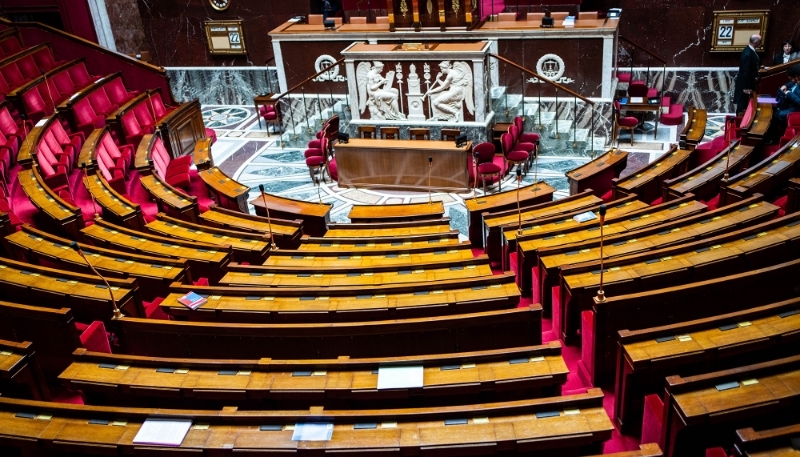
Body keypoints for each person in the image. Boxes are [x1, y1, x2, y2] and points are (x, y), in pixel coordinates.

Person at [734, 34, 762, 115]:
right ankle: (738, 122)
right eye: (760, 41)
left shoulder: (750, 51)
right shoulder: (748, 54)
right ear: (756, 42)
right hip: (745, 86)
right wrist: (746, 87)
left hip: (747, 84)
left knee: (745, 104)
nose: (760, 43)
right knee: (742, 105)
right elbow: (746, 71)